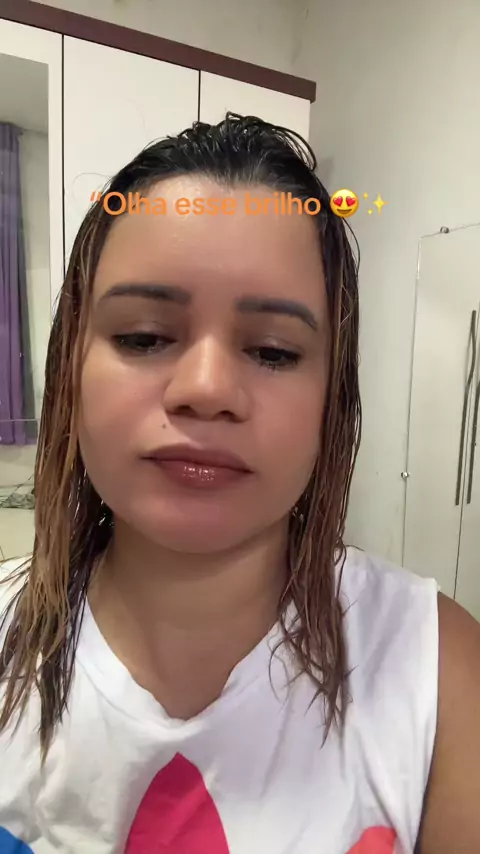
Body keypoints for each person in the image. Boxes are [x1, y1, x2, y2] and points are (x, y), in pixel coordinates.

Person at [0, 114, 479, 854]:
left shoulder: (441, 670)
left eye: (274, 351)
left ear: (332, 399)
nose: (207, 389)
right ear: (70, 367)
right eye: (143, 337)